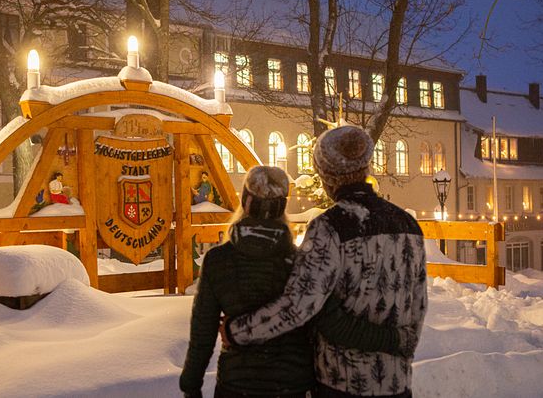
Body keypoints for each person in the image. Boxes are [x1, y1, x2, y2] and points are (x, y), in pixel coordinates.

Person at [223, 127, 428, 398]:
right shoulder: (408, 225)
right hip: (395, 384)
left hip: (340, 383)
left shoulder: (329, 227)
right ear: (365, 167)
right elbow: (418, 306)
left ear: (327, 177)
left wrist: (236, 331)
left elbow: (298, 305)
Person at [180, 165, 411, 398]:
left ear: (245, 201)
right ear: (283, 206)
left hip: (236, 385)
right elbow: (332, 324)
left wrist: (190, 387)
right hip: (292, 385)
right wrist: (395, 338)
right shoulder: (302, 262)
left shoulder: (218, 261)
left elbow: (202, 333)